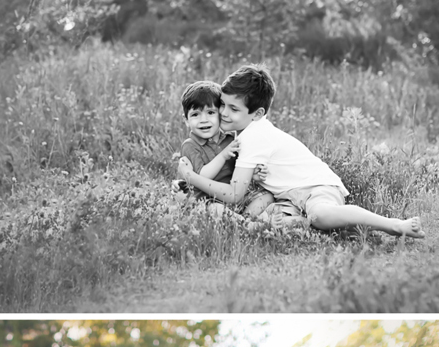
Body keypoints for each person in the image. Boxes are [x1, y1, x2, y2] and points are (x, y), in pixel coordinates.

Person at [177, 62, 423, 238]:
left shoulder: (253, 137)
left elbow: (233, 194)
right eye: (223, 105)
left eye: (233, 109)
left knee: (321, 216)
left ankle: (393, 225)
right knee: (271, 221)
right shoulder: (246, 132)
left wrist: (190, 177)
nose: (223, 113)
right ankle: (320, 227)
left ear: (257, 113)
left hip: (315, 187)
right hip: (288, 197)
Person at [172, 79, 300, 227]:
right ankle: (246, 225)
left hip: (235, 197)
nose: (203, 120)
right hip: (209, 199)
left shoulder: (231, 139)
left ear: (221, 113)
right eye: (195, 115)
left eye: (211, 112)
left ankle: (245, 218)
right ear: (186, 120)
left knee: (267, 196)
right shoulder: (190, 145)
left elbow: (239, 169)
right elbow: (203, 175)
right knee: (215, 209)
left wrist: (254, 174)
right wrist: (223, 155)